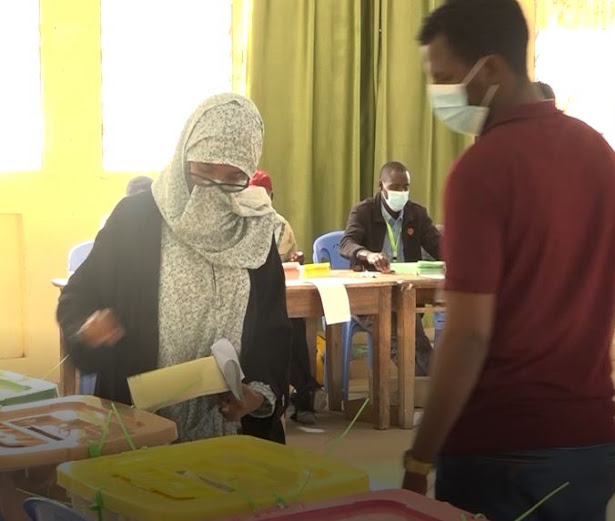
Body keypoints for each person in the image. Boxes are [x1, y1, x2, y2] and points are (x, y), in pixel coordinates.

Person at [402, 1, 615, 519]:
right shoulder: (601, 154)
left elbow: (469, 334)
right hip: (592, 438)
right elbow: (606, 292)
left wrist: (420, 456)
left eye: (447, 78)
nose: (442, 94)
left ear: (494, 69)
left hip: (502, 444)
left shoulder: (481, 170)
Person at [57, 93, 292, 444]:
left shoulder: (254, 230)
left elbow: (273, 328)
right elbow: (77, 298)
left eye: (233, 177)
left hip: (234, 436)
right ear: (184, 157)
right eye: (204, 170)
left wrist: (257, 394)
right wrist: (88, 329)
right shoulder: (136, 219)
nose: (214, 189)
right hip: (141, 426)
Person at [339, 161, 441, 376]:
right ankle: (423, 392)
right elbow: (346, 243)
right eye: (395, 187)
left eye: (406, 187)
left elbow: (439, 246)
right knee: (400, 335)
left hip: (405, 294)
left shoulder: (416, 214)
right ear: (381, 186)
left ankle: (428, 391)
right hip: (370, 296)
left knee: (412, 333)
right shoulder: (363, 211)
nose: (401, 192)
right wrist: (368, 254)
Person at [249, 170, 325, 424]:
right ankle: (301, 390)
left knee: (291, 324)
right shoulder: (236, 220)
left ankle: (302, 394)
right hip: (245, 300)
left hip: (277, 294)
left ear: (271, 195)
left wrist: (294, 260)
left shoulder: (279, 224)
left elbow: (281, 263)